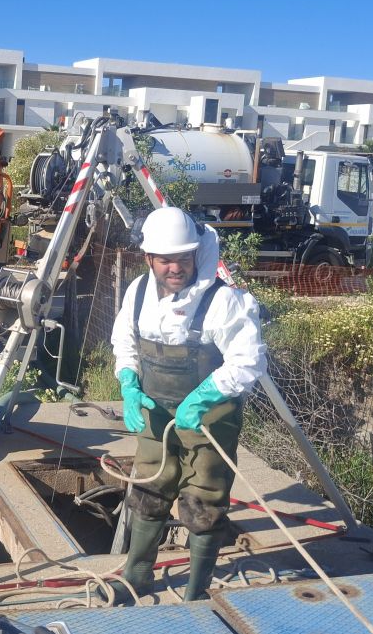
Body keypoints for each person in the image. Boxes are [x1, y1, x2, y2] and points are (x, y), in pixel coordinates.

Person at [109, 206, 267, 602]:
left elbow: (249, 361)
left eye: (183, 258)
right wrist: (128, 382)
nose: (175, 267)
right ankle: (138, 574)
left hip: (209, 418)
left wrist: (202, 397)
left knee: (204, 499)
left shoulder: (224, 301)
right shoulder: (138, 293)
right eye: (165, 260)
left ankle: (196, 593)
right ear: (149, 258)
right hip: (155, 411)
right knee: (148, 486)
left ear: (196, 253)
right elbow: (124, 343)